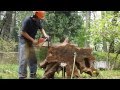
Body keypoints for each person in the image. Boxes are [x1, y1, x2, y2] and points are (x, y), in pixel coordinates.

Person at [18, 11, 49, 79]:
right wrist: (33, 40)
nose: (40, 19)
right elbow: (23, 32)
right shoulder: (27, 20)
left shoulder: (37, 21)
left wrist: (45, 35)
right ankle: (22, 76)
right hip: (23, 40)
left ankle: (33, 75)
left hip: (30, 41)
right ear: (36, 16)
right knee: (24, 58)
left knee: (33, 58)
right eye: (40, 18)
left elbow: (41, 29)